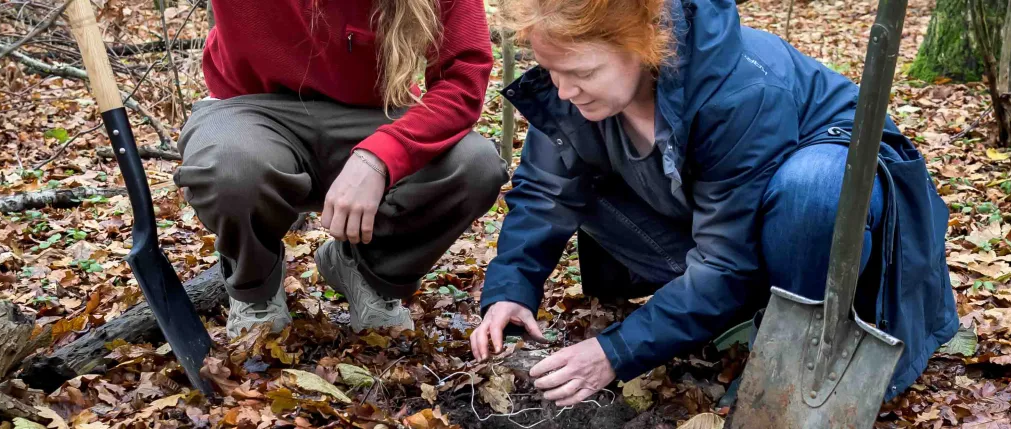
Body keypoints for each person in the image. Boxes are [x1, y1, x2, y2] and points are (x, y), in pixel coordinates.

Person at [471, 0, 958, 407]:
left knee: (813, 191)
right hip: (732, 228)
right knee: (577, 175)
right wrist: (511, 289)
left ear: (644, 45)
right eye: (551, 70)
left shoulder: (740, 90)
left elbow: (728, 259)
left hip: (836, 221)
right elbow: (545, 190)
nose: (563, 90)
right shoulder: (574, 86)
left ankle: (798, 356)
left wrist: (615, 353)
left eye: (582, 72)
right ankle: (742, 312)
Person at [175, 0, 509, 337]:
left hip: (379, 112)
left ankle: (366, 270)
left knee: (474, 165)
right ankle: (255, 288)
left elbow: (462, 79)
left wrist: (381, 157)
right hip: (251, 107)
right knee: (231, 170)